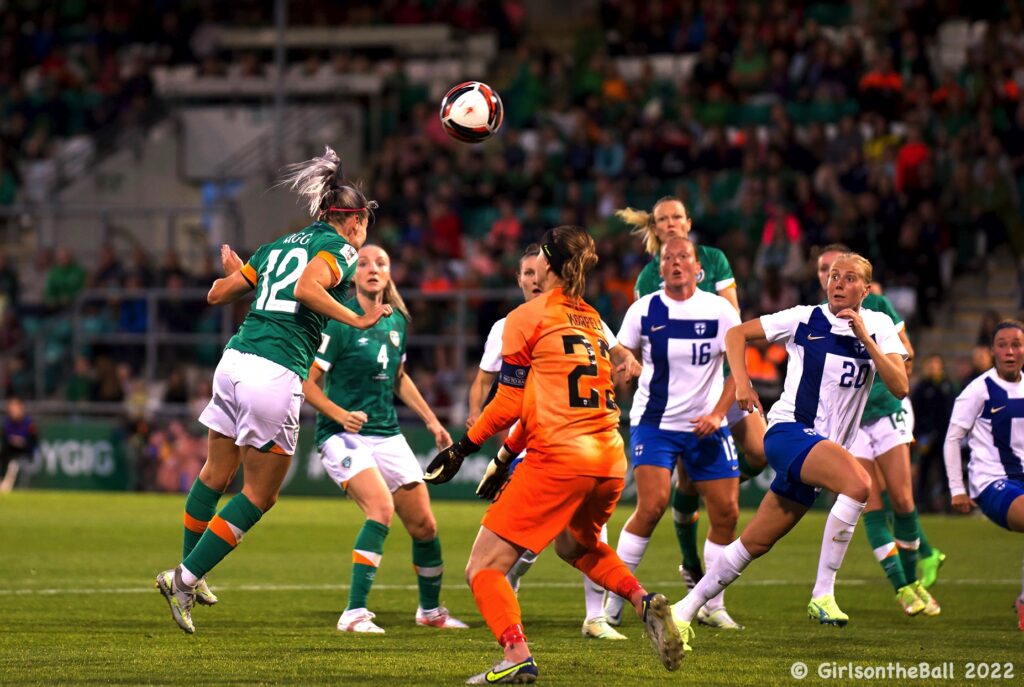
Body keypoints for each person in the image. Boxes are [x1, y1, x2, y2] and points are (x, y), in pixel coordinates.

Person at [424, 226, 684, 683]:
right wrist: (504, 459)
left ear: (545, 264)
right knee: (576, 544)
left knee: (483, 569)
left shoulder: (525, 317)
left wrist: (462, 448)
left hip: (560, 458)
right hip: (608, 459)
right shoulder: (590, 319)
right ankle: (642, 601)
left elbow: (509, 402)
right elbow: (545, 402)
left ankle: (516, 654)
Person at [155, 147, 392, 634]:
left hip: (234, 361)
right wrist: (359, 316)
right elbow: (307, 289)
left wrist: (238, 270)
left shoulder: (278, 245)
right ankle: (184, 577)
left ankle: (191, 572)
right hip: (275, 370)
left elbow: (217, 294)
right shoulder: (342, 248)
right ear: (354, 222)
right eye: (364, 223)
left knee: (216, 472)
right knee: (260, 494)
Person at [672, 252, 909, 646]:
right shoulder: (803, 318)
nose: (838, 282)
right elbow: (736, 335)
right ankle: (823, 593)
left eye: (849, 278)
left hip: (822, 449)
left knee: (755, 543)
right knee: (859, 485)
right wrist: (743, 383)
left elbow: (900, 386)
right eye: (834, 275)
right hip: (788, 433)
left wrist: (865, 337)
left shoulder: (880, 325)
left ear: (866, 290)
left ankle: (685, 609)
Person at [303, 244, 469, 634]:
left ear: (390, 274)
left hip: (387, 432)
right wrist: (340, 414)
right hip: (341, 434)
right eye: (363, 264)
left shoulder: (396, 323)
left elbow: (398, 378)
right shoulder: (339, 322)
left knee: (425, 525)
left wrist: (431, 420)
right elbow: (306, 383)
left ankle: (430, 612)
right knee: (380, 509)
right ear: (352, 275)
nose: (372, 268)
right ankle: (354, 613)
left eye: (381, 263)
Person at [621, 196, 768, 592]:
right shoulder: (647, 280)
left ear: (688, 222)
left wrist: (734, 381)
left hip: (724, 379)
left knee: (760, 451)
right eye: (662, 220)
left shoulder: (714, 260)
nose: (670, 224)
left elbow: (731, 322)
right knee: (681, 484)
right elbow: (643, 343)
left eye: (676, 218)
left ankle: (716, 479)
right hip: (677, 398)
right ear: (655, 228)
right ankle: (690, 564)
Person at [600, 236, 744, 635]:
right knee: (652, 506)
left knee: (727, 512)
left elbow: (738, 368)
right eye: (669, 258)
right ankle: (611, 607)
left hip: (706, 426)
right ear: (659, 268)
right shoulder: (643, 310)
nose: (677, 263)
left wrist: (718, 414)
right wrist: (625, 363)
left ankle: (712, 605)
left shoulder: (720, 311)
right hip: (656, 423)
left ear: (698, 267)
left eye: (684, 257)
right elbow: (621, 352)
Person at [816, 244, 941, 615]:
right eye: (825, 271)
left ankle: (915, 575)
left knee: (902, 499)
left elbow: (906, 356)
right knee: (866, 502)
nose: (830, 277)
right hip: (850, 421)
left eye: (837, 271)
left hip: (886, 410)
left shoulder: (878, 311)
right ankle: (903, 586)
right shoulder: (816, 317)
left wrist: (871, 355)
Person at [944, 320, 1024, 631]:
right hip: (992, 483)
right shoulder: (979, 390)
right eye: (1002, 345)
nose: (1009, 351)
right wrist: (957, 489)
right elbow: (952, 438)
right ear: (992, 351)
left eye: (1016, 344)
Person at [0, 396, 37, 493]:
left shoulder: (28, 423)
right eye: (11, 408)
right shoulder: (7, 423)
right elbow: (5, 440)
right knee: (5, 452)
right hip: (9, 452)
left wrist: (22, 442)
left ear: (21, 408)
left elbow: (34, 441)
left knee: (13, 462)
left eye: (15, 407)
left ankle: (6, 482)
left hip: (25, 452)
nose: (12, 410)